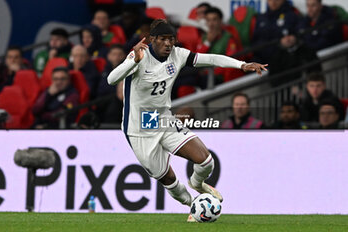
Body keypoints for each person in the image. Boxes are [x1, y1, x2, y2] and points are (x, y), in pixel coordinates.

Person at [107, 19, 267, 221]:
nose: (168, 44)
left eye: (171, 39)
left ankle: (198, 184)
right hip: (138, 128)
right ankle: (193, 205)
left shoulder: (178, 55)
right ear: (152, 40)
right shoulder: (139, 55)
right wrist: (133, 62)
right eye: (163, 39)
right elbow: (111, 79)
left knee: (206, 161)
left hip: (162, 119)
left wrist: (241, 64)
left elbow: (210, 59)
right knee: (170, 181)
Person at [196, 7, 244, 83]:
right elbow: (197, 58)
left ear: (220, 21)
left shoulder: (229, 38)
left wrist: (209, 72)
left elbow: (230, 62)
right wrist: (208, 42)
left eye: (214, 20)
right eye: (208, 20)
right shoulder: (204, 38)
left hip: (219, 76)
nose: (211, 24)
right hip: (204, 74)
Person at [96, 44, 126, 123]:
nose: (116, 57)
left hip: (117, 105)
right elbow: (100, 89)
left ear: (124, 56)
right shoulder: (104, 71)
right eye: (114, 54)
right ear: (108, 56)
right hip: (102, 103)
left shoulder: (127, 71)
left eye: (119, 54)